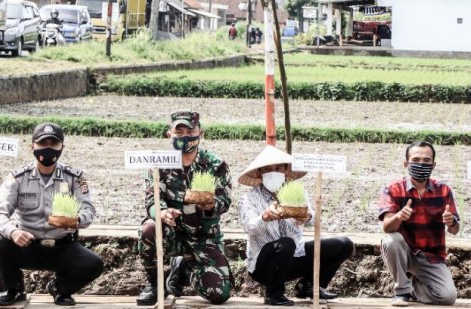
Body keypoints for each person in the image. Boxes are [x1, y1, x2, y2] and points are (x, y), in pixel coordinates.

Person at [0, 122, 103, 306]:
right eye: (43, 143)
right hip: (28, 246)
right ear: (32, 146)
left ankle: (60, 288)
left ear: (62, 147)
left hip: (63, 248)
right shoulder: (17, 178)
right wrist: (14, 232)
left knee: (94, 264)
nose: (48, 148)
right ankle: (14, 289)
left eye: (54, 143)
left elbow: (88, 210)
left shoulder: (75, 177)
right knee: (2, 241)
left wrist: (75, 221)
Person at [136, 110, 233, 306]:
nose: (185, 136)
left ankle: (184, 268)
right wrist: (162, 213)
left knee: (219, 295)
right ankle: (155, 285)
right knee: (148, 229)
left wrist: (211, 204)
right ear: (169, 135)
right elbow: (151, 201)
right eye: (179, 132)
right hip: (172, 233)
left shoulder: (216, 165)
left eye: (190, 131)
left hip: (204, 238)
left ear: (201, 133)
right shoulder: (159, 164)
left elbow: (225, 201)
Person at [237, 145, 353, 306]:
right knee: (285, 243)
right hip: (263, 265)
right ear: (259, 173)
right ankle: (273, 294)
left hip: (294, 256)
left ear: (286, 171)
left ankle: (308, 286)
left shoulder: (298, 192)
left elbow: (313, 220)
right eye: (267, 169)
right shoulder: (249, 199)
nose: (273, 172)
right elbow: (248, 228)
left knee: (344, 244)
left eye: (278, 168)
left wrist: (305, 216)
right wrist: (265, 216)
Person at [378, 141, 459, 307]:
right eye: (416, 159)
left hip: (430, 256)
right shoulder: (393, 189)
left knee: (447, 297)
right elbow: (387, 228)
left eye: (426, 160)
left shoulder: (443, 190)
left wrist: (451, 222)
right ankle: (402, 291)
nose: (421, 164)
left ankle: (414, 287)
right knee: (391, 240)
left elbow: (455, 230)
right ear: (406, 163)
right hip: (404, 253)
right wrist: (399, 216)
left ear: (433, 164)